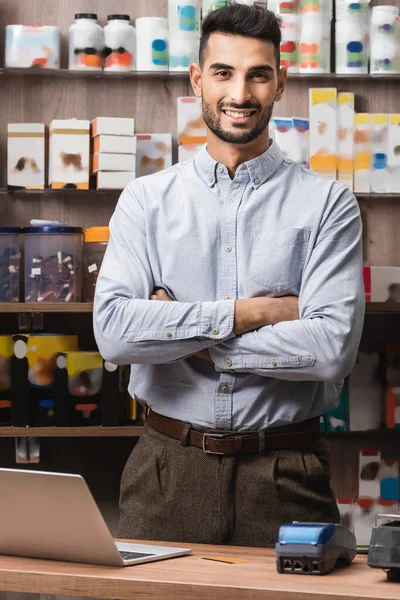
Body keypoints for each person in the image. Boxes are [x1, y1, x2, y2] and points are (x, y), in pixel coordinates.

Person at [93, 3, 365, 548]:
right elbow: (115, 334)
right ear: (198, 79)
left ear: (280, 82)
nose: (240, 93)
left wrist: (184, 336)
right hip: (166, 471)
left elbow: (331, 349)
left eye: (258, 74)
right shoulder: (146, 201)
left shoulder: (329, 204)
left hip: (288, 475)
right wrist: (254, 313)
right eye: (223, 72)